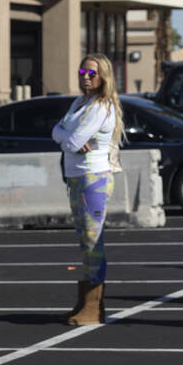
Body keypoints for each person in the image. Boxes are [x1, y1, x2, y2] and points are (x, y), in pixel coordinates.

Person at [51, 53, 122, 326]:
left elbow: (71, 139)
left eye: (92, 73)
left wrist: (67, 136)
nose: (86, 78)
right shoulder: (79, 102)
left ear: (103, 76)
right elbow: (58, 132)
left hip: (94, 178)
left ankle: (94, 307)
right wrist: (66, 136)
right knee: (85, 243)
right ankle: (84, 302)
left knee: (94, 243)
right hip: (75, 176)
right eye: (83, 72)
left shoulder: (101, 106)